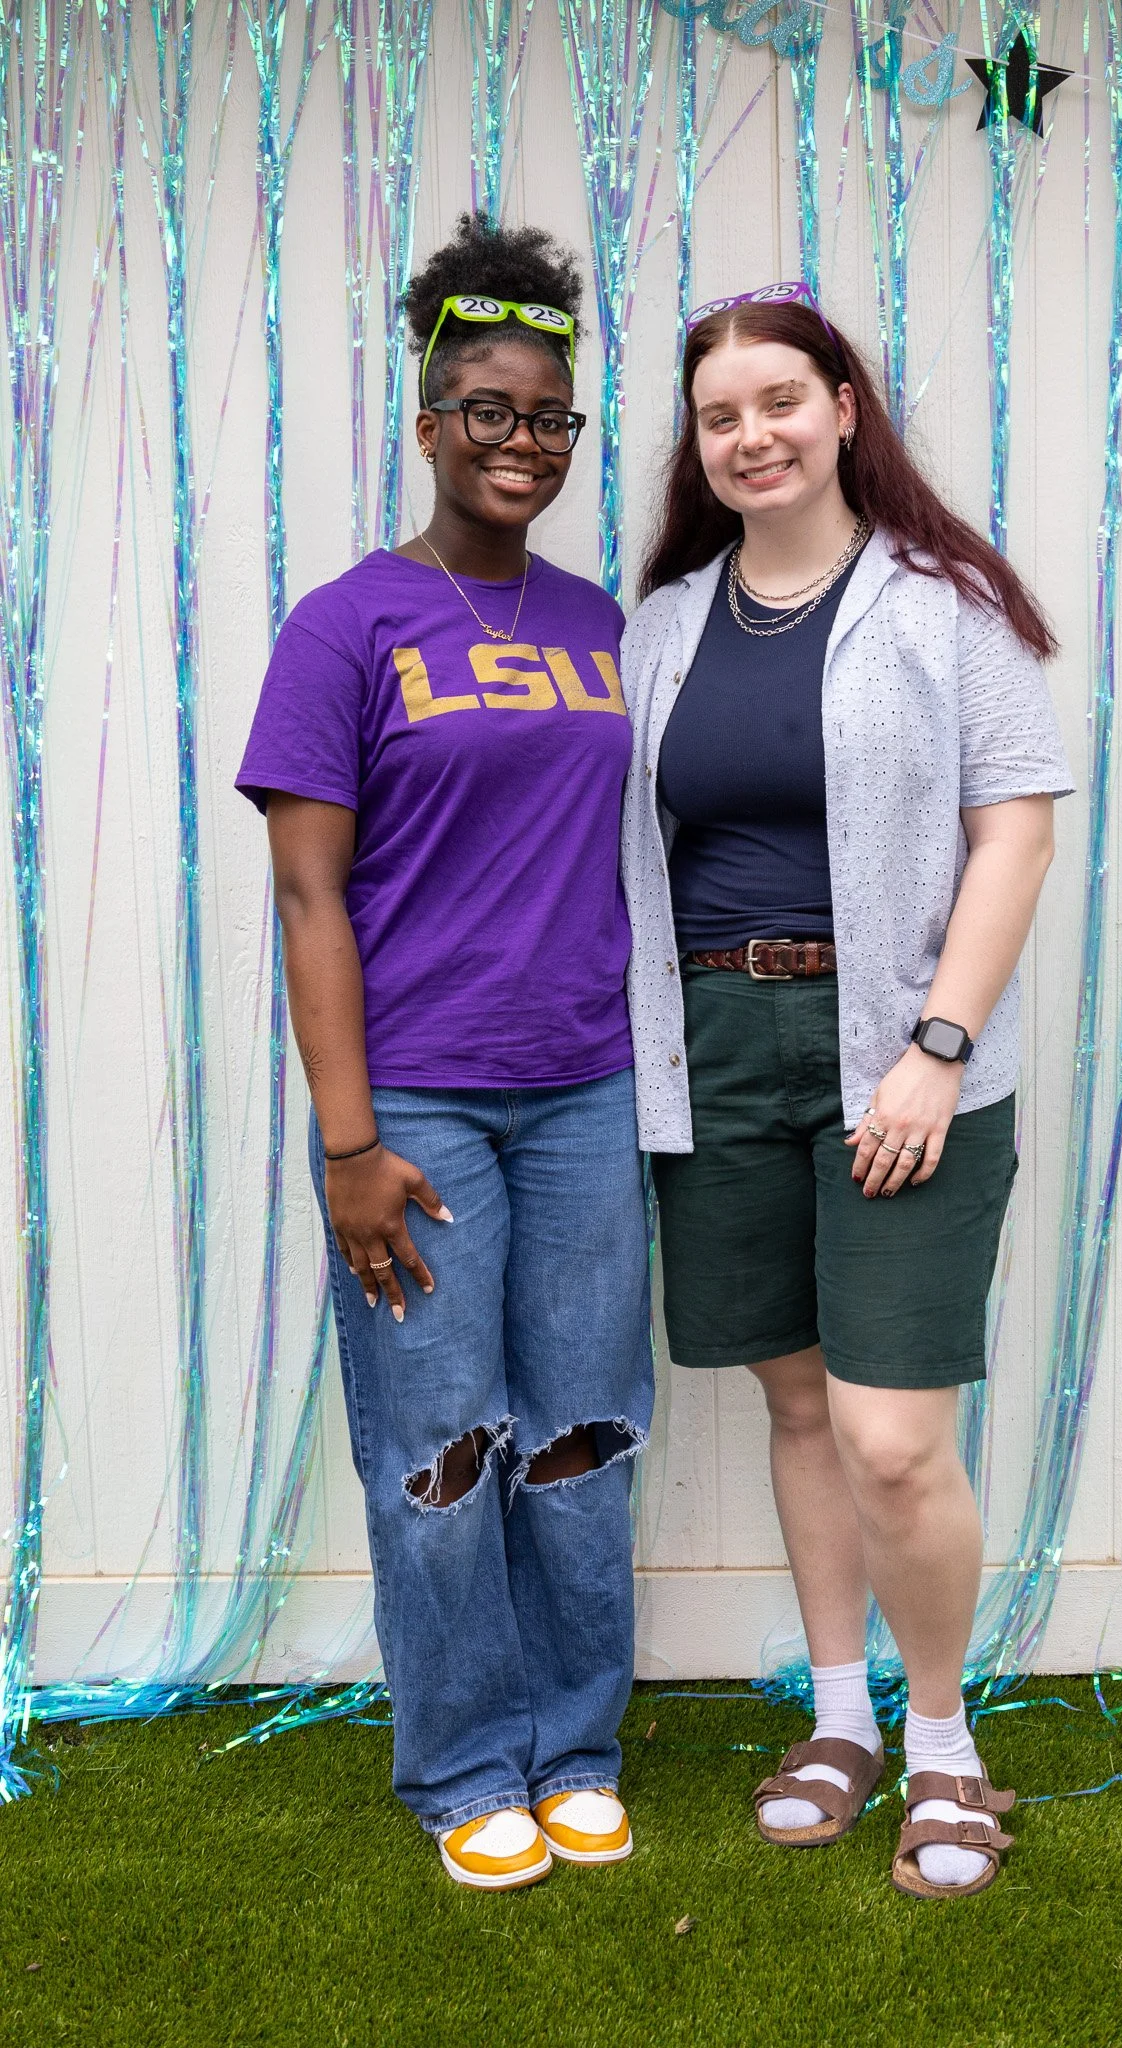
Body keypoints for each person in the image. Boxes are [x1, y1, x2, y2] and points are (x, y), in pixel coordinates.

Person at [619, 281, 1071, 1900]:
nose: (751, 435)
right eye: (721, 415)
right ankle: (838, 1721)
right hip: (715, 1055)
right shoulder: (661, 625)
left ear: (843, 411)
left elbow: (1013, 830)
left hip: (903, 1052)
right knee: (800, 1406)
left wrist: (936, 1052)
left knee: (894, 1435)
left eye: (779, 403)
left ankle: (945, 1748)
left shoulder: (949, 606)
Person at [235, 214, 651, 1892]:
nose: (523, 444)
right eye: (489, 411)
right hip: (414, 1099)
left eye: (549, 418)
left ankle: (576, 1742)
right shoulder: (347, 624)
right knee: (439, 1445)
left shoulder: (602, 619)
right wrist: (348, 1144)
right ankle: (463, 1761)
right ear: (427, 421)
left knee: (583, 1428)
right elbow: (306, 894)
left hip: (588, 1088)